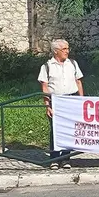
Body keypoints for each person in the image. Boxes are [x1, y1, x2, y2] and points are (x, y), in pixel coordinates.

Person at [38, 39, 85, 170]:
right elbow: (44, 86)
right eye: (64, 49)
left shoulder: (72, 64)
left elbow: (78, 82)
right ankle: (54, 158)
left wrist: (81, 100)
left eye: (67, 48)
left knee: (69, 129)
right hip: (56, 100)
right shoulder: (47, 66)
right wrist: (47, 105)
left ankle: (65, 158)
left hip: (71, 99)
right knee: (55, 130)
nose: (67, 51)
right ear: (56, 51)